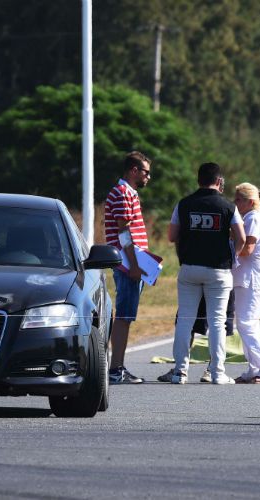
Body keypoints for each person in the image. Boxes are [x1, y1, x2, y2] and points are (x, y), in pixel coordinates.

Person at [169, 162, 245, 384]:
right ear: (219, 181)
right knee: (217, 321)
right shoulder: (229, 207)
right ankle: (217, 372)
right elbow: (240, 237)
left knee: (185, 319)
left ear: (198, 180)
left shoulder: (183, 204)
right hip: (219, 270)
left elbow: (172, 235)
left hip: (189, 268)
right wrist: (233, 256)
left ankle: (179, 372)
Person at [104, 151, 152, 384]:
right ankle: (116, 369)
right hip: (126, 264)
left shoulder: (127, 193)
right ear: (134, 170)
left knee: (126, 315)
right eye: (146, 172)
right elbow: (124, 233)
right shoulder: (123, 193)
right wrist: (133, 265)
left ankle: (118, 366)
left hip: (132, 263)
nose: (148, 177)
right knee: (123, 316)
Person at [231, 182, 260, 384]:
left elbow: (248, 249)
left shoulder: (253, 218)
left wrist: (225, 254)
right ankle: (254, 368)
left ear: (250, 202)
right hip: (244, 278)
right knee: (246, 325)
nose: (235, 202)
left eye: (238, 199)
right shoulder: (246, 217)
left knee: (247, 324)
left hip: (253, 280)